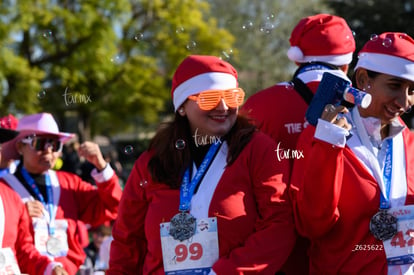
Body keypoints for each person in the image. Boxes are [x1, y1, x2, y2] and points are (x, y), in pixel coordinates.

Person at [108, 55, 295, 274]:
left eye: (232, 97)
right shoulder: (153, 161)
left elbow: (279, 225)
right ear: (182, 107)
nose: (223, 106)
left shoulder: (258, 150)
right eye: (210, 98)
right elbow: (127, 240)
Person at [290, 32, 414, 274]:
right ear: (363, 78)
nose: (404, 101)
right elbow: (312, 225)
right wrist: (328, 146)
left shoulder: (408, 141)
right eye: (395, 86)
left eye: (412, 90)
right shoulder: (320, 136)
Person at [241, 13, 356, 275]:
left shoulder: (258, 106)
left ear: (296, 57)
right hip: (351, 252)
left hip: (278, 257)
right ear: (347, 64)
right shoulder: (369, 106)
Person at [1, 112, 123, 275]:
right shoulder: (5, 189)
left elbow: (113, 207)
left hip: (69, 271)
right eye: (40, 143)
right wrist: (17, 214)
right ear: (20, 147)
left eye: (55, 144)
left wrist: (101, 167)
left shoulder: (69, 184)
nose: (49, 150)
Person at [0, 124, 68, 274]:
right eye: (40, 143)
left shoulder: (11, 197)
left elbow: (23, 250)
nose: (48, 150)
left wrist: (49, 268)